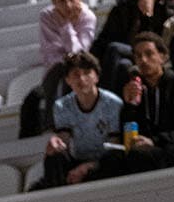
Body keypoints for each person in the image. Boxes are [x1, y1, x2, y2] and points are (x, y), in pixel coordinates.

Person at [42, 53, 124, 187]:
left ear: (96, 77)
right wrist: (55, 142)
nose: (81, 78)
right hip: (78, 158)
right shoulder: (61, 106)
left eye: (87, 73)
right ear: (68, 80)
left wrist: (90, 166)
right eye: (75, 74)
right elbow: (64, 140)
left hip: (104, 160)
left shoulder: (113, 103)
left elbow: (114, 144)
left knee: (114, 160)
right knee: (54, 157)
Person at [94, 0, 174, 92]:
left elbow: (159, 40)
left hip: (151, 52)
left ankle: (104, 96)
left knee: (115, 50)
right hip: (126, 52)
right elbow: (105, 37)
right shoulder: (123, 8)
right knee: (122, 65)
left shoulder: (168, 8)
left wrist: (148, 16)